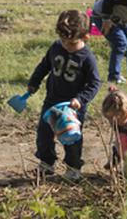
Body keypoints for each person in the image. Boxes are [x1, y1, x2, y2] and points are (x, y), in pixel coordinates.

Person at [27, 10, 100, 181]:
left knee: (72, 138)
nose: (66, 45)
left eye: (71, 43)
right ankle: (46, 163)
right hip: (52, 100)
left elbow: (94, 83)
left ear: (86, 37)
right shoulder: (56, 47)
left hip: (73, 106)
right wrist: (34, 82)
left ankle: (73, 168)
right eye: (63, 40)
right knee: (44, 134)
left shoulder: (87, 57)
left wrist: (80, 99)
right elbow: (44, 66)